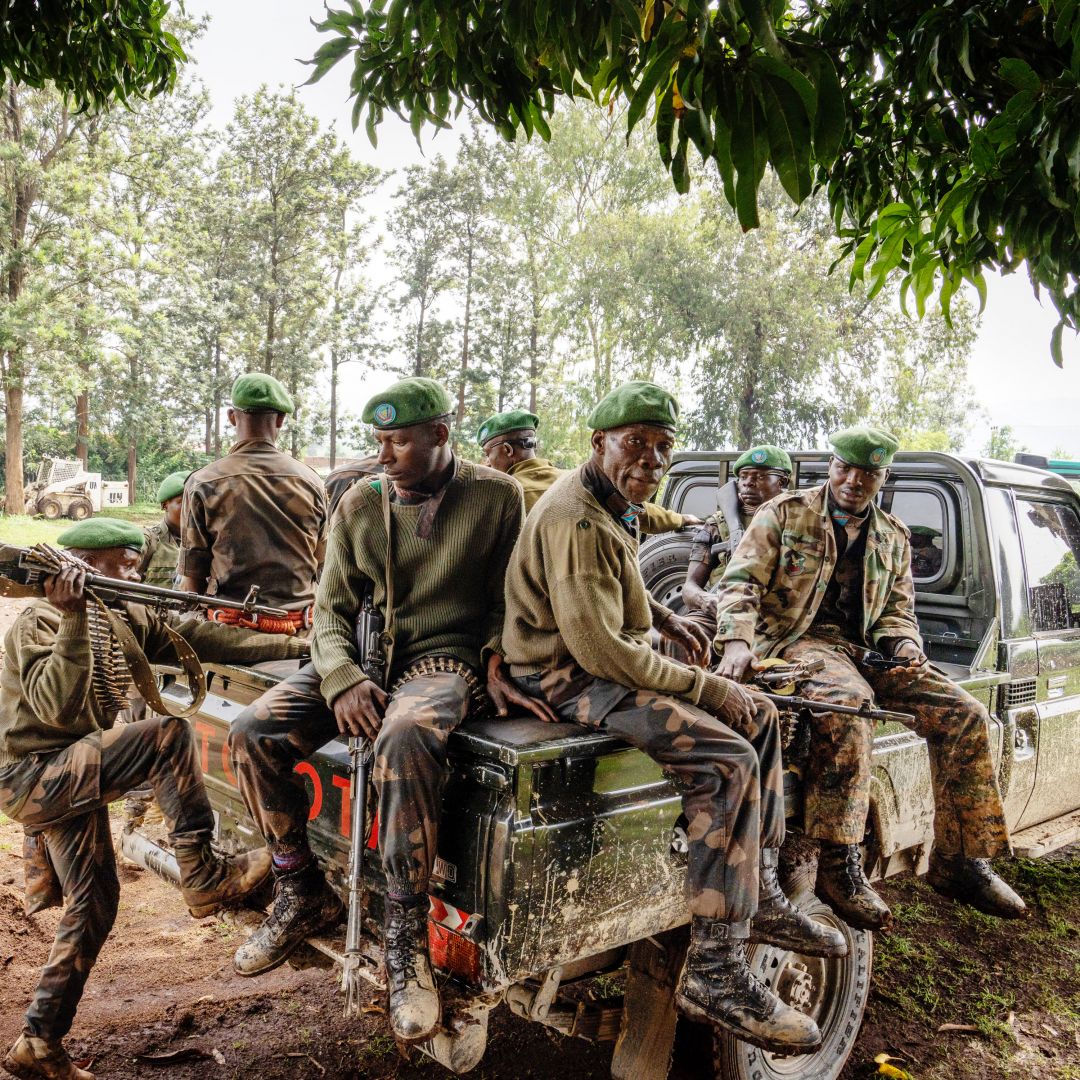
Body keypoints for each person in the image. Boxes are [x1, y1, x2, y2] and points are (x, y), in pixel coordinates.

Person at [500, 381, 845, 1056]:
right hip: (565, 674)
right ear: (599, 442)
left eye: (662, 448)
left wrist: (665, 617)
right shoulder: (577, 516)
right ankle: (715, 970)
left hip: (599, 654)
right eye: (636, 444)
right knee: (727, 758)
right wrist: (707, 688)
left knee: (763, 716)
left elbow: (614, 587)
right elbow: (602, 648)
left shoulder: (611, 502)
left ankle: (762, 887)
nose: (651, 460)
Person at [227, 377, 550, 1044]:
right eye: (377, 441)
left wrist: (493, 653)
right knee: (252, 731)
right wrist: (341, 678)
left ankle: (406, 943)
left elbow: (507, 602)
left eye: (398, 441)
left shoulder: (497, 496)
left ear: (439, 435)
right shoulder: (360, 504)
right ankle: (298, 891)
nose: (384, 455)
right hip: (359, 655)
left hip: (443, 661)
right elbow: (330, 611)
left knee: (405, 734)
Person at [0, 519, 308, 1080]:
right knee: (166, 734)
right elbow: (57, 712)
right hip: (32, 775)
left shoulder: (122, 613)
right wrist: (71, 618)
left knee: (95, 903)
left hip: (71, 769)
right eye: (124, 562)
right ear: (85, 565)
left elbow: (202, 638)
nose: (137, 572)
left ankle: (38, 1042)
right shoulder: (42, 621)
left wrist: (301, 646)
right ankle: (203, 872)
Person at [713, 427, 1026, 930]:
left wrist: (905, 646)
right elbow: (740, 584)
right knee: (851, 705)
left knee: (965, 714)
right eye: (845, 468)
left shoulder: (892, 536)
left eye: (868, 473)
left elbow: (898, 612)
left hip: (864, 649)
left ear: (883, 477)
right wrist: (736, 641)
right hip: (795, 640)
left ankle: (961, 860)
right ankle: (840, 862)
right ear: (831, 467)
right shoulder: (785, 514)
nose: (854, 481)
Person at [178, 373, 327, 633]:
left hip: (229, 633)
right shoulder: (312, 482)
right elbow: (324, 563)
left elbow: (192, 579)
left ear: (232, 417)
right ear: (280, 419)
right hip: (300, 631)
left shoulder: (203, 482)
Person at [476, 407, 701, 530]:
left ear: (507, 450)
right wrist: (681, 519)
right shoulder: (577, 480)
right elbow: (637, 512)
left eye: (488, 454)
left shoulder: (501, 495)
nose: (486, 463)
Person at [681, 445, 792, 625]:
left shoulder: (799, 521)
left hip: (776, 618)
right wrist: (705, 599)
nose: (748, 482)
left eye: (760, 476)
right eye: (743, 476)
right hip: (723, 612)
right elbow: (689, 588)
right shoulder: (718, 524)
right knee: (686, 634)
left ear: (782, 482)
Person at [138, 470, 186, 587]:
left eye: (196, 502)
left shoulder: (208, 543)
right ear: (165, 505)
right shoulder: (148, 540)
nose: (191, 509)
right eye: (183, 502)